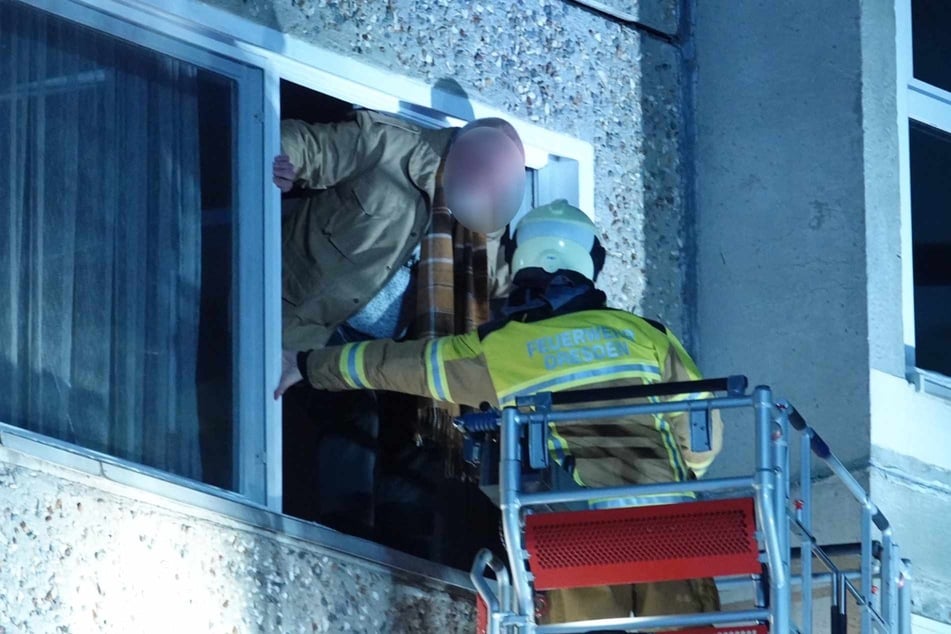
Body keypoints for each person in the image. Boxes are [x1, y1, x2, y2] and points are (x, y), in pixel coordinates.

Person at [274, 199, 723, 622]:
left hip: (573, 537)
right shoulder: (645, 335)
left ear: (516, 258)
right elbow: (703, 434)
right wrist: (675, 482)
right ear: (591, 262)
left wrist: (308, 365)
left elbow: (399, 365)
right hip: (668, 525)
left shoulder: (501, 347)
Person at [274, 109, 525, 537]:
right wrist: (284, 157)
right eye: (484, 175)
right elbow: (310, 144)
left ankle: (400, 555)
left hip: (384, 353)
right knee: (354, 413)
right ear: (465, 154)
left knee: (425, 434)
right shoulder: (393, 147)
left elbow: (507, 285)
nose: (487, 190)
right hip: (309, 321)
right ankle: (345, 540)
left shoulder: (486, 224)